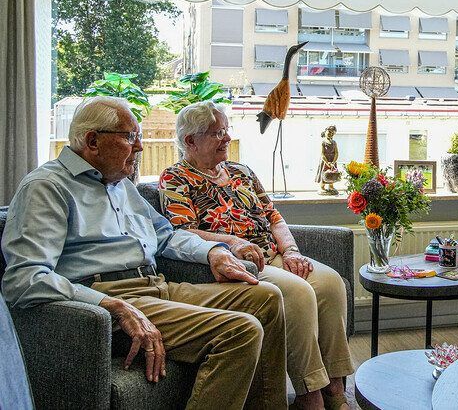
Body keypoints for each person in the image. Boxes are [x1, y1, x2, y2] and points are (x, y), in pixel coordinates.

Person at [1, 96, 287, 410]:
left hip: (156, 286)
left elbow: (165, 236)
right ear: (93, 141)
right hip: (109, 297)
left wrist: (213, 252)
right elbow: (25, 279)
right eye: (130, 137)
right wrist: (110, 304)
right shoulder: (47, 187)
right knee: (240, 331)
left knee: (267, 298)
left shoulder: (121, 185)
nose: (140, 147)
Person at [159, 101, 353, 410]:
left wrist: (290, 251)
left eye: (226, 130)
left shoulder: (241, 171)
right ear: (190, 141)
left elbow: (274, 217)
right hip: (236, 263)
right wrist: (232, 242)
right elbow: (183, 231)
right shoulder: (175, 178)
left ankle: (336, 387)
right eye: (216, 132)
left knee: (330, 284)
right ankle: (309, 394)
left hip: (273, 253)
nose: (226, 138)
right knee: (299, 293)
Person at [315, 125, 340, 195]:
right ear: (325, 131)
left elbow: (336, 153)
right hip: (325, 161)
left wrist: (333, 162)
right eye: (329, 132)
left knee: (332, 174)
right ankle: (322, 187)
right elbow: (322, 154)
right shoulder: (323, 142)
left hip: (332, 161)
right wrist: (326, 162)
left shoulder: (334, 142)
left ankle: (331, 186)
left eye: (332, 133)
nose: (330, 134)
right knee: (324, 173)